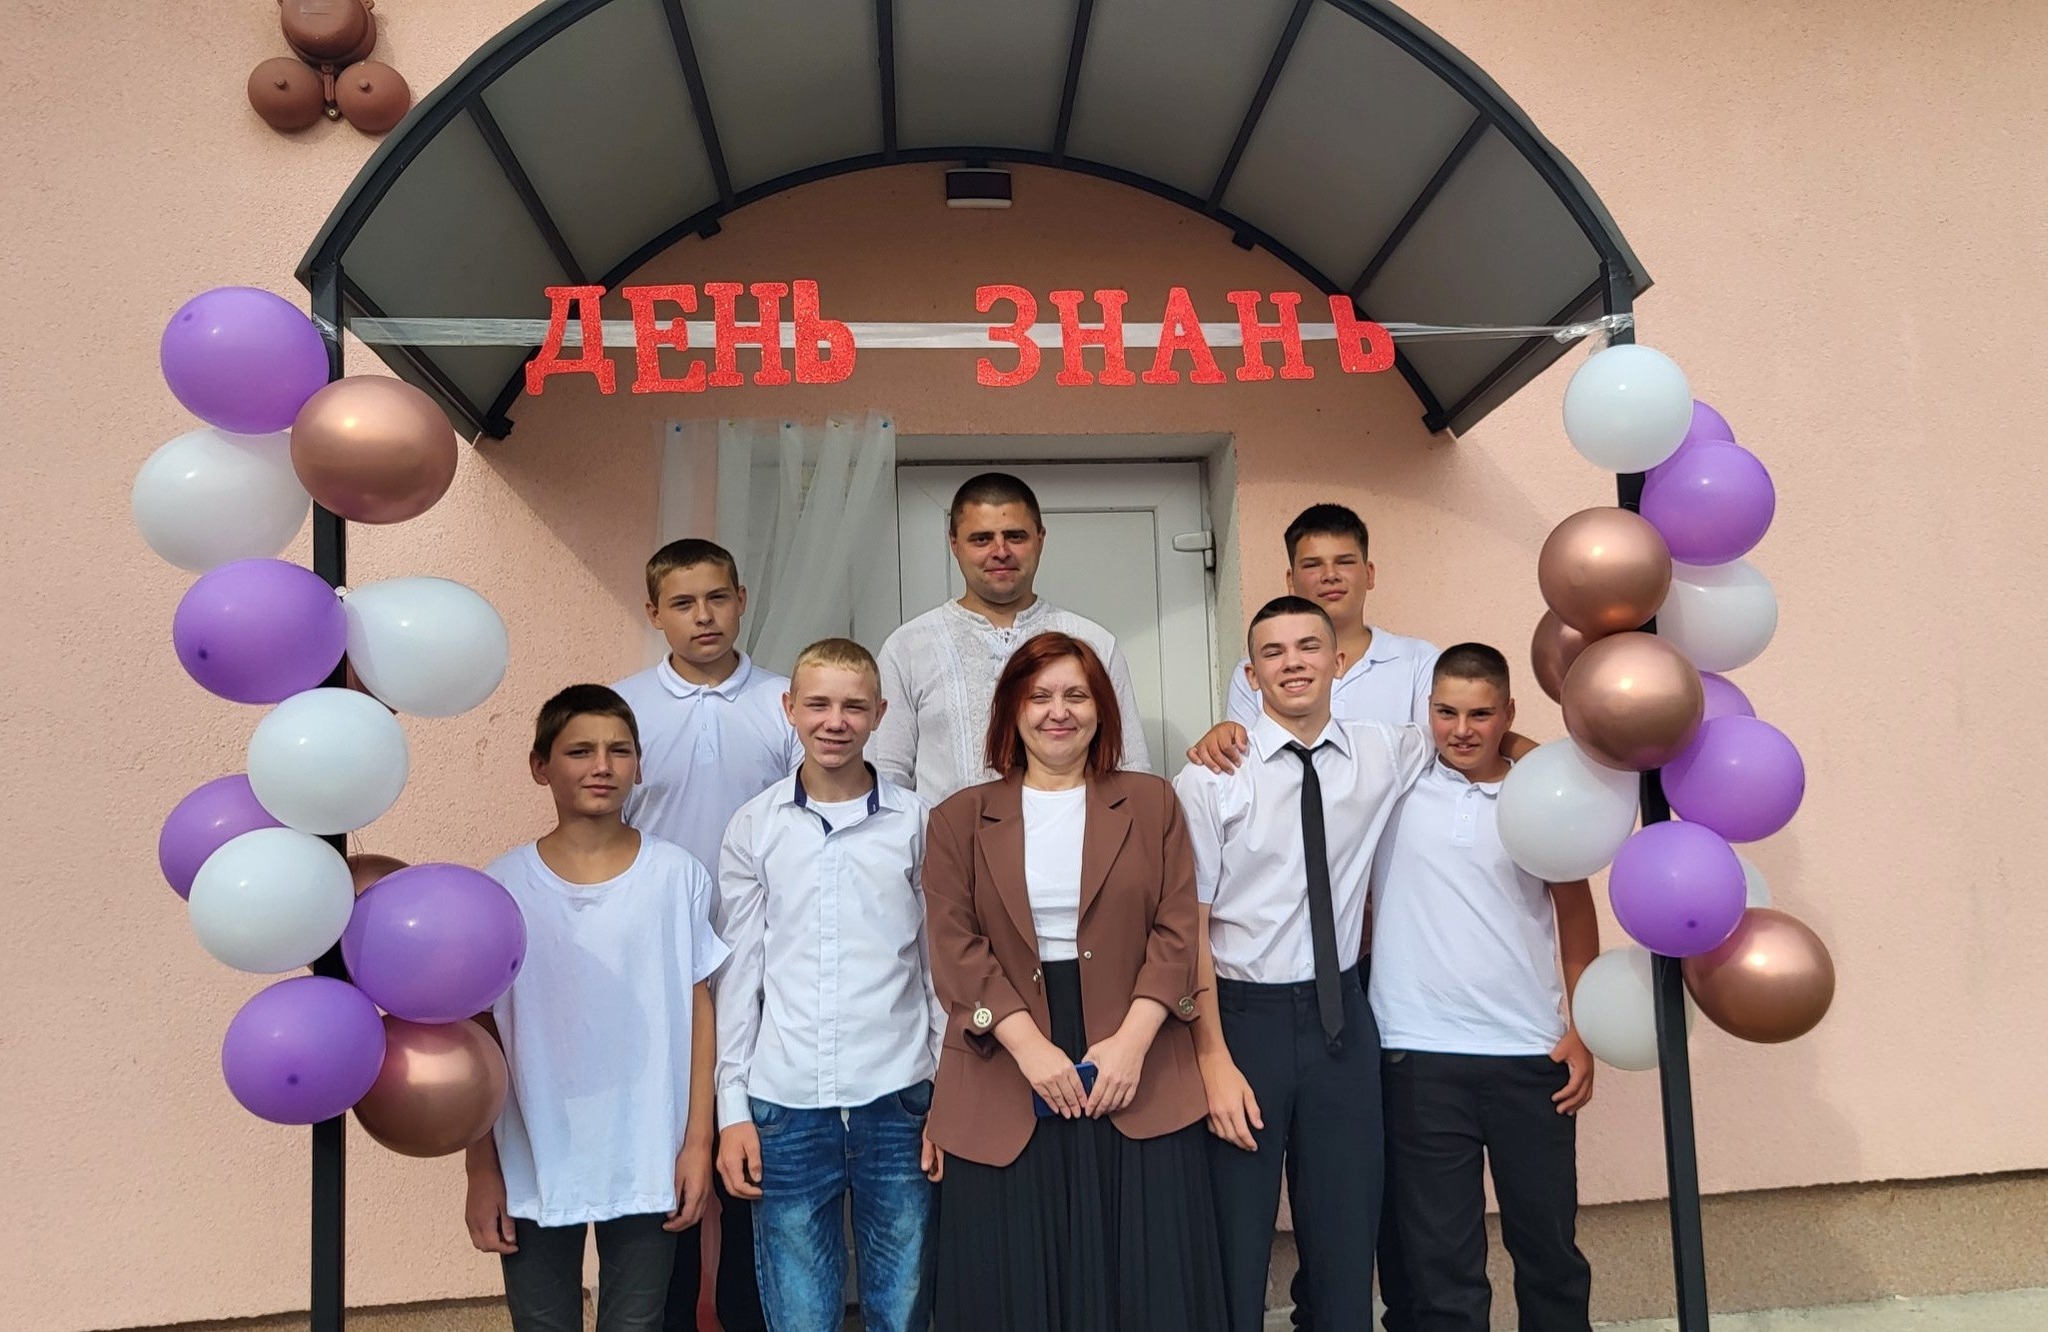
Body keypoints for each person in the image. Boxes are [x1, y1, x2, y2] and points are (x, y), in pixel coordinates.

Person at [922, 632, 1224, 1332]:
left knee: (1147, 1281)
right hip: (1006, 1060)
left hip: (1136, 1058)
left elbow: (1178, 928)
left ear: (1101, 710)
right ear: (1012, 710)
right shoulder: (958, 818)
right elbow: (954, 947)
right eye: (1040, 696)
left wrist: (1132, 1043)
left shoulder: (1152, 803)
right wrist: (1031, 1048)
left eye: (1076, 695)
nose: (1058, 712)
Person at [1174, 597, 1434, 1332]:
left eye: (1309, 647)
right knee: (1234, 1238)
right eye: (1274, 652)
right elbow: (1188, 929)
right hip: (1241, 1021)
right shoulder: (1211, 779)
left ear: (1338, 662)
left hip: (1342, 1020)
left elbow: (1474, 733)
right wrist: (1212, 1059)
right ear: (1251, 674)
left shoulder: (1387, 751)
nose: (1293, 663)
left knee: (1346, 1236)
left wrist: (1541, 755)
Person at [465, 685, 728, 1332]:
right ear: (540, 766)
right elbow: (479, 1036)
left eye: (620, 750)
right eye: (580, 751)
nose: (602, 766)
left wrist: (698, 1143)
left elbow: (700, 1015)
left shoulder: (677, 877)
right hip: (532, 1154)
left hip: (649, 1150)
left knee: (637, 1323)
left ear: (640, 764)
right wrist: (480, 1168)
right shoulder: (500, 887)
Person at [712, 638, 945, 1332]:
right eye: (817, 704)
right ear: (790, 708)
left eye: (852, 706)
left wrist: (947, 1093)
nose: (834, 722)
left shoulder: (917, 823)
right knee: (800, 1316)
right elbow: (738, 977)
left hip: (899, 1097)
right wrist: (731, 1111)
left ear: (880, 713)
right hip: (784, 1105)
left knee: (901, 1310)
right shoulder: (754, 826)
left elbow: (938, 969)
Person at [1370, 644, 1598, 1332]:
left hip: (1531, 1055)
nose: (1461, 729)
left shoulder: (1540, 800)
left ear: (1508, 713)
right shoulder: (1393, 785)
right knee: (1442, 1267)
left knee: (1549, 1253)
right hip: (1418, 1055)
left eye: (1480, 714)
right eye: (1446, 712)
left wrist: (1583, 1030)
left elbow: (1575, 912)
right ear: (1427, 710)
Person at [613, 537, 794, 1332]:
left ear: (741, 599)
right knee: (672, 1173)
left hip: (770, 966)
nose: (704, 616)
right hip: (660, 970)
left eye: (717, 597)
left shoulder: (788, 703)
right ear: (654, 613)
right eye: (683, 603)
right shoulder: (622, 712)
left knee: (757, 1165)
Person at [873, 471, 1150, 802]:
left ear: (1040, 540)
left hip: (1076, 833)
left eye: (1015, 536)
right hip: (945, 835)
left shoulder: (1093, 642)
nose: (1000, 551)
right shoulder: (908, 648)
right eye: (981, 539)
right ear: (954, 544)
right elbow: (885, 779)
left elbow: (1131, 769)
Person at [1186, 504, 1438, 772]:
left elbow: (1433, 762)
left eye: (1344, 562)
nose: (1330, 576)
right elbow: (1243, 768)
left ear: (1369, 574)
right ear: (1291, 580)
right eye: (1312, 565)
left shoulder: (1420, 662)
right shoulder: (1259, 673)